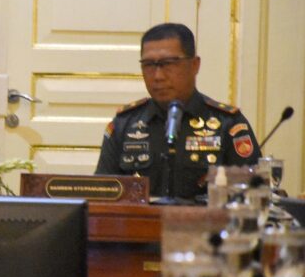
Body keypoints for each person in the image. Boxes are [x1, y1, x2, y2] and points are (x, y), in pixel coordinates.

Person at [95, 23, 260, 202]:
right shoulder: (124, 125)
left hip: (205, 220)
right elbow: (103, 195)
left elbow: (255, 195)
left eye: (168, 64)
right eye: (149, 65)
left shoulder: (228, 124)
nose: (158, 76)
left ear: (195, 65)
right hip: (141, 220)